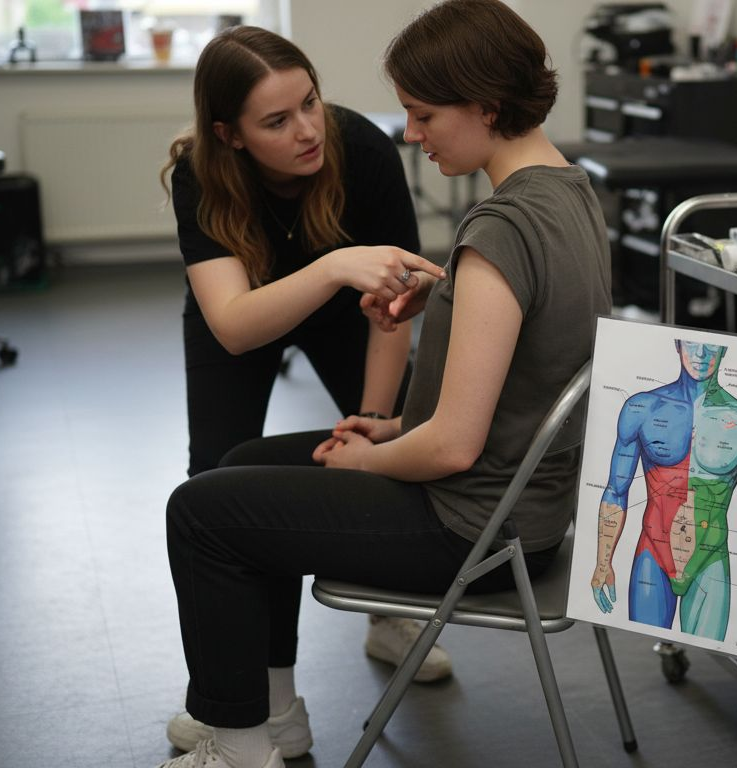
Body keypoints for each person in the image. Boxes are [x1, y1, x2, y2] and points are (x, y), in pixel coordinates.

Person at [158, 2, 611, 766]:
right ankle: (271, 717)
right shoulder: (570, 193)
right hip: (522, 511)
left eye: (423, 113)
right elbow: (503, 398)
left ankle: (236, 749)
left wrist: (367, 453)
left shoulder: (496, 233)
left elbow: (455, 445)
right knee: (235, 467)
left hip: (472, 525)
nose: (410, 134)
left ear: (485, 107)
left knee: (201, 513)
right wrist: (389, 428)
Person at [158, 25, 454, 759]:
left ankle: (388, 615)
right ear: (229, 134)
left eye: (311, 104)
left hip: (353, 315)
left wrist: (377, 419)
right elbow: (232, 325)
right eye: (277, 121)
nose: (307, 130)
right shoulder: (202, 172)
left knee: (385, 452)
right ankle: (263, 700)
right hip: (249, 312)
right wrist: (332, 267)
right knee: (226, 487)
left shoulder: (363, 151)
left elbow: (394, 311)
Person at [588, 340, 737, 648]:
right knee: (640, 657)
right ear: (677, 344)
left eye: (711, 348)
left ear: (725, 350)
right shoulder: (642, 408)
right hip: (652, 554)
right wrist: (602, 562)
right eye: (692, 345)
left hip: (710, 560)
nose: (701, 355)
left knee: (709, 660)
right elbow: (615, 490)